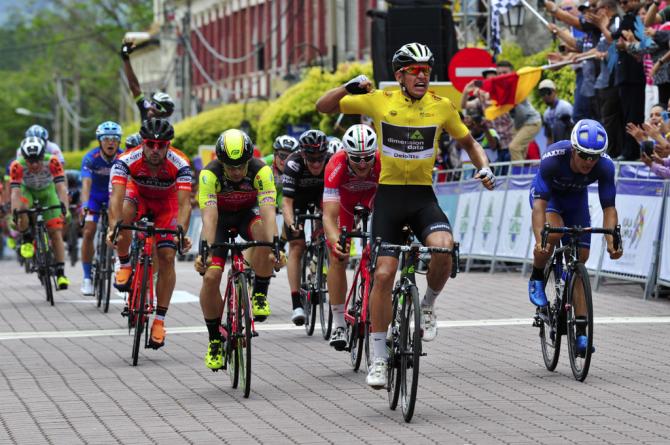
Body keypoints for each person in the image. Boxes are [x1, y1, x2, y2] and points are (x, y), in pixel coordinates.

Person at [316, 42, 495, 388]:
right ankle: (379, 358)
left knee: (444, 247)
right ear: (400, 75)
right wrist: (349, 86)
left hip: (422, 198)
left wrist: (484, 167)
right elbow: (323, 106)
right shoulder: (380, 101)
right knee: (383, 274)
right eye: (415, 71)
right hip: (389, 200)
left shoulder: (441, 107)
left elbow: (470, 143)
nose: (423, 76)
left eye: (427, 70)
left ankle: (427, 306)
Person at [528, 119, 623, 353]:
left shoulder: (605, 166)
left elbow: (609, 208)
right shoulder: (553, 158)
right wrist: (540, 240)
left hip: (576, 202)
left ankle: (581, 333)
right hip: (550, 200)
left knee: (580, 261)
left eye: (595, 157)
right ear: (573, 149)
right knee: (551, 236)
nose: (589, 162)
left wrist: (612, 242)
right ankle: (537, 276)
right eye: (583, 155)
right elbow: (539, 207)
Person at [194, 129, 281, 370]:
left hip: (246, 216)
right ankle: (214, 339)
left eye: (240, 166)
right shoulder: (209, 174)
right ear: (221, 162)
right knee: (211, 277)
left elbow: (268, 210)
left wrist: (275, 244)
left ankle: (260, 292)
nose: (235, 172)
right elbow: (209, 219)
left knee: (264, 237)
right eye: (230, 167)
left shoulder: (261, 170)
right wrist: (205, 253)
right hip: (220, 221)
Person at [107, 118, 193, 350]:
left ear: (168, 145)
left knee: (167, 256)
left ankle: (159, 321)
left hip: (167, 203)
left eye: (161, 145)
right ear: (143, 143)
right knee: (123, 219)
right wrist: (113, 226)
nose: (155, 150)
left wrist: (181, 232)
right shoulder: (126, 160)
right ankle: (124, 263)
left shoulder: (181, 163)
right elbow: (115, 196)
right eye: (150, 144)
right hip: (139, 197)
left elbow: (185, 205)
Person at [322, 124, 381, 350]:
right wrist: (336, 240)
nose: (363, 164)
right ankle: (338, 323)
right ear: (347, 154)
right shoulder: (335, 164)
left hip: (373, 201)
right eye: (356, 159)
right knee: (337, 256)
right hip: (344, 206)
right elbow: (328, 216)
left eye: (368, 157)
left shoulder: (382, 161)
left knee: (383, 252)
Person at [281, 129, 332, 325]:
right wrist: (291, 222)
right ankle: (296, 304)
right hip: (298, 200)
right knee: (297, 246)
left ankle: (319, 265)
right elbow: (286, 202)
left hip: (322, 197)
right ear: (303, 155)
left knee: (328, 233)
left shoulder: (332, 161)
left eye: (320, 158)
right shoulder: (293, 164)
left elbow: (337, 198)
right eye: (312, 159)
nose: (317, 163)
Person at [10, 137, 70, 288]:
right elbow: (15, 193)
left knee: (56, 233)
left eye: (38, 159)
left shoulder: (53, 162)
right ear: (24, 158)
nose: (35, 164)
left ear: (43, 156)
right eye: (30, 161)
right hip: (27, 191)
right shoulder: (17, 166)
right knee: (22, 209)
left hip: (47, 192)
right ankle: (27, 238)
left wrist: (65, 208)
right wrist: (14, 215)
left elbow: (61, 188)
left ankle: (61, 273)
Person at [79, 121, 124, 295]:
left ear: (119, 141)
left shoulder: (122, 157)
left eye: (115, 138)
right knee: (89, 231)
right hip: (94, 198)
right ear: (100, 140)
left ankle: (119, 267)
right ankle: (87, 278)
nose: (110, 142)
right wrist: (84, 205)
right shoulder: (91, 158)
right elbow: (86, 184)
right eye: (106, 138)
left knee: (119, 231)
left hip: (114, 197)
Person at [496, 61, 543, 161]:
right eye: (499, 73)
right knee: (520, 151)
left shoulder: (516, 85)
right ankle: (523, 173)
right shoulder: (502, 89)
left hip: (531, 122)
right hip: (518, 124)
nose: (501, 76)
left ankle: (517, 176)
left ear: (512, 73)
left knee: (514, 147)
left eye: (504, 72)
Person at [120, 40, 176, 122]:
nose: (151, 107)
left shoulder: (167, 128)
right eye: (152, 103)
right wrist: (125, 58)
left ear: (165, 114)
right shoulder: (146, 108)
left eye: (158, 107)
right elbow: (134, 86)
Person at [538, 79, 574, 145]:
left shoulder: (565, 107)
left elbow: (574, 130)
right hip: (556, 147)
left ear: (555, 92)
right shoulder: (546, 114)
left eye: (548, 92)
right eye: (543, 93)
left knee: (558, 124)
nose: (546, 96)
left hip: (569, 144)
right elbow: (549, 137)